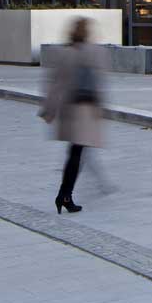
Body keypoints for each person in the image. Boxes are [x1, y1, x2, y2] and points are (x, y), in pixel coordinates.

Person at [39, 16, 106, 213]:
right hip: (84, 110)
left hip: (69, 110)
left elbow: (55, 83)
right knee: (76, 153)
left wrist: (49, 109)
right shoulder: (92, 52)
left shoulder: (65, 53)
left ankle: (65, 195)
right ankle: (64, 195)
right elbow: (97, 83)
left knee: (76, 152)